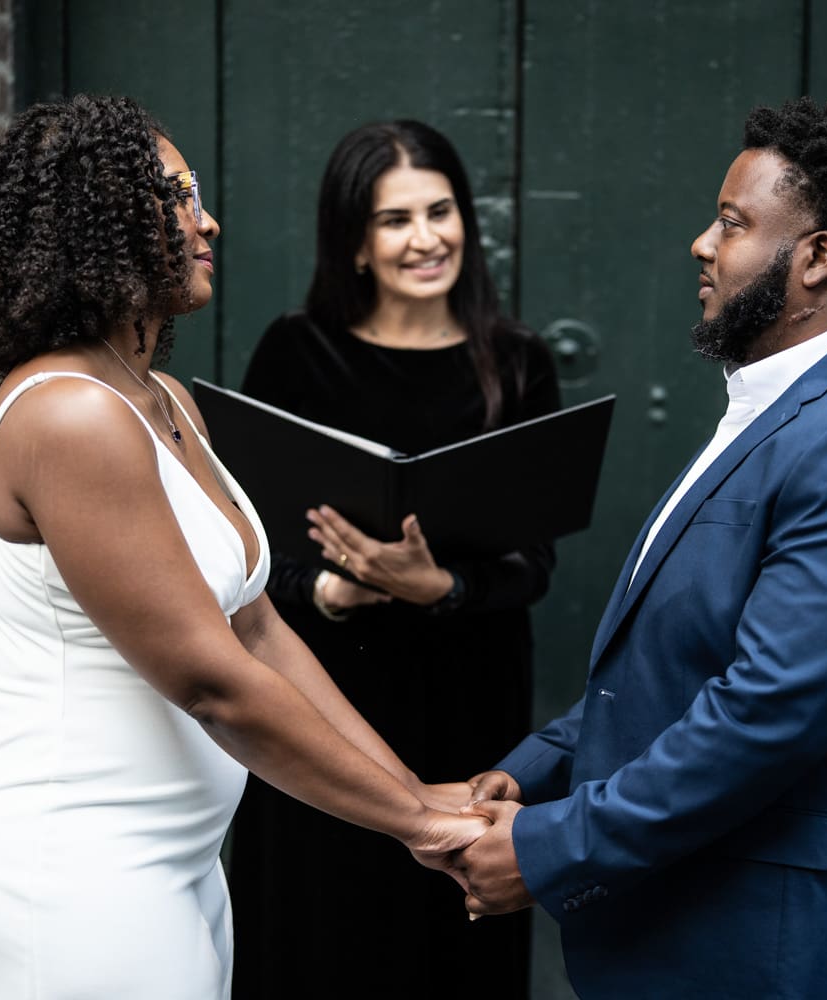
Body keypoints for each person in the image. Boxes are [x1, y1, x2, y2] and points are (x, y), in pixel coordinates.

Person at [0, 95, 486, 1000]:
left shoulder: (163, 399)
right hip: (61, 868)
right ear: (96, 223)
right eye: (172, 196)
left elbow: (258, 633)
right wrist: (415, 823)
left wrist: (413, 788)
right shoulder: (70, 413)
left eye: (197, 193)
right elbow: (213, 681)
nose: (204, 218)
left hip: (168, 860)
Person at [455, 96, 827, 999]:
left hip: (784, 950)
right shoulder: (784, 404)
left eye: (733, 224)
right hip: (692, 925)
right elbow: (677, 659)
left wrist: (551, 846)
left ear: (815, 257)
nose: (703, 243)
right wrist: (531, 771)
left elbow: (765, 715)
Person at [228, 119, 558, 999]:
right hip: (328, 696)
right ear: (357, 243)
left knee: (456, 942)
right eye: (394, 220)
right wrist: (331, 591)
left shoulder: (518, 363)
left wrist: (442, 586)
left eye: (440, 211)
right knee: (324, 932)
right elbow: (250, 549)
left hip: (472, 695)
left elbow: (535, 565)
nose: (426, 238)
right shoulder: (297, 353)